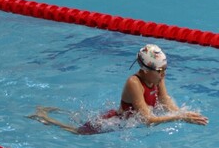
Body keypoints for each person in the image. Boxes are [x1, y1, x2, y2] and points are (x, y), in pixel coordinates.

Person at [28, 44, 208, 134]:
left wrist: (183, 113)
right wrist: (179, 117)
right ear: (145, 70)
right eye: (161, 70)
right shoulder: (134, 83)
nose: (164, 74)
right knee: (78, 132)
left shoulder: (157, 77)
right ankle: (43, 117)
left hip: (129, 121)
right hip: (115, 121)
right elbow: (147, 119)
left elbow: (165, 100)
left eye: (165, 69)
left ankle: (55, 111)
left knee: (78, 121)